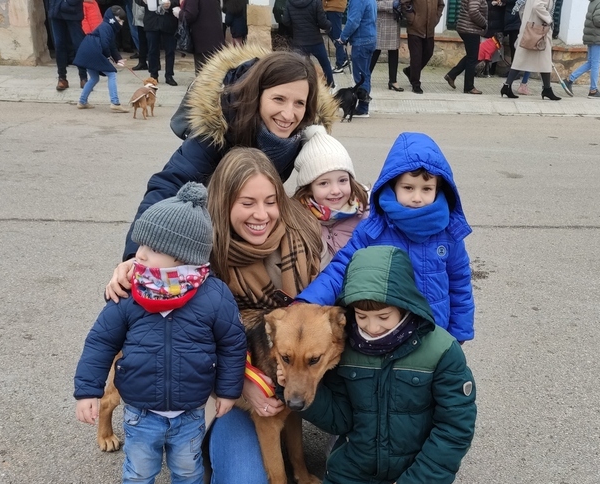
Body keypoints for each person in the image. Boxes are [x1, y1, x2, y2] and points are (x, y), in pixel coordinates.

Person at [107, 146, 326, 484]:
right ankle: (192, 443)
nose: (262, 214)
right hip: (216, 384)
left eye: (270, 201)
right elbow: (174, 337)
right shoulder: (197, 257)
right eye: (247, 202)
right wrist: (131, 264)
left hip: (280, 371)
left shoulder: (304, 234)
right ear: (224, 203)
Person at [74, 183, 248, 484]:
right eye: (140, 246)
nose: (138, 255)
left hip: (189, 409)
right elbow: (101, 342)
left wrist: (229, 391)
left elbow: (232, 343)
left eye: (151, 249)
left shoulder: (214, 296)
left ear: (183, 256)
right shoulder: (130, 292)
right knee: (140, 467)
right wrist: (88, 390)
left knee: (188, 464)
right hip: (140, 409)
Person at [301, 245, 477, 484]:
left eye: (383, 316)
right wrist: (304, 397)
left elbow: (455, 427)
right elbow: (341, 419)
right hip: (355, 469)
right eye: (361, 316)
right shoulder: (344, 349)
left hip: (410, 471)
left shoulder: (441, 350)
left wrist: (422, 483)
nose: (371, 326)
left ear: (405, 305)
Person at [110, 45, 337, 267]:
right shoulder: (218, 130)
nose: (289, 114)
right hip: (210, 230)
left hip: (249, 223)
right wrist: (135, 256)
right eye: (278, 99)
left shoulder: (303, 134)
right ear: (257, 95)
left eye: (299, 103)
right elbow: (168, 184)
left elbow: (334, 179)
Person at [297, 132, 475, 343]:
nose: (417, 198)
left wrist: (459, 333)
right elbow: (340, 269)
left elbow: (460, 285)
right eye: (408, 188)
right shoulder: (374, 230)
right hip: (383, 335)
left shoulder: (448, 234)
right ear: (392, 186)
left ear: (439, 189)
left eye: (427, 189)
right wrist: (307, 303)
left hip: (435, 335)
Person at [290, 124, 369, 268]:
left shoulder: (368, 213)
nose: (335, 190)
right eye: (324, 183)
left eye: (343, 180)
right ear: (309, 188)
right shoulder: (298, 220)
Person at [74, 6, 131, 112]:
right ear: (113, 18)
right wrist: (110, 58)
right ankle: (115, 102)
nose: (121, 24)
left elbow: (111, 45)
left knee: (94, 77)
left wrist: (118, 59)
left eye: (122, 21)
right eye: (119, 21)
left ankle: (82, 101)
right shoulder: (107, 26)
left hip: (88, 50)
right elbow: (105, 44)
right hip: (94, 51)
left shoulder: (107, 26)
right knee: (112, 74)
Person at [502, 0, 560, 100]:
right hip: (538, 31)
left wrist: (526, 22)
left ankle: (507, 86)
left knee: (528, 60)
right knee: (542, 60)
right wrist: (549, 20)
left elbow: (522, 9)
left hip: (530, 30)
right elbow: (538, 6)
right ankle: (546, 89)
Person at [562, 0, 600, 99]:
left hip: (592, 36)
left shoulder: (594, 1)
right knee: (596, 64)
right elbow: (599, 19)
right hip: (598, 37)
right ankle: (593, 90)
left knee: (591, 62)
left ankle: (570, 79)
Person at [334, 0, 377, 117]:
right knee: (365, 75)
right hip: (370, 39)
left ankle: (363, 108)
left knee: (360, 76)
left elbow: (353, 21)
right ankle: (364, 106)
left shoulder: (358, 1)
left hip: (361, 41)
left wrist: (343, 37)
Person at [282, 0, 335, 88]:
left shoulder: (289, 2)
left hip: (299, 42)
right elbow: (322, 22)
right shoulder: (316, 2)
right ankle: (331, 86)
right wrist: (329, 24)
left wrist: (295, 27)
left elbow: (286, 21)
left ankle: (302, 88)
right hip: (315, 41)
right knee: (325, 64)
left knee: (300, 67)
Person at [399, 0, 444, 94]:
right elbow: (404, 3)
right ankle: (415, 83)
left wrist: (436, 18)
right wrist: (412, 19)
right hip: (415, 29)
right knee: (416, 57)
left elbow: (441, 4)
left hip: (429, 30)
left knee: (428, 53)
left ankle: (410, 71)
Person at [444, 0, 487, 95]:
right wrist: (484, 23)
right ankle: (469, 87)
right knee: (473, 58)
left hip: (466, 27)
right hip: (470, 29)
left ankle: (452, 75)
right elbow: (473, 11)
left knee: (471, 56)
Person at [48, 0, 89, 91]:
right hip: (56, 10)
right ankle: (62, 78)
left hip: (73, 10)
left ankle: (83, 77)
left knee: (78, 44)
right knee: (59, 45)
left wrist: (69, 2)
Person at [137, 0, 179, 86]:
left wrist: (171, 3)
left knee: (170, 50)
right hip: (151, 21)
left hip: (168, 21)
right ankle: (153, 75)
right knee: (152, 50)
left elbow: (180, 1)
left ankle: (169, 75)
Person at [179, 0, 225, 74]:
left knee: (202, 72)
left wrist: (179, 13)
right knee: (215, 72)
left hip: (202, 39)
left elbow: (190, 15)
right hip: (215, 37)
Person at [370, 0, 403, 92]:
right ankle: (365, 78)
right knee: (375, 51)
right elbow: (373, 4)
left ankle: (393, 81)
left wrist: (400, 6)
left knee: (394, 51)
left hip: (394, 22)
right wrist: (391, 5)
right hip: (381, 23)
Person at [324, 0, 349, 72]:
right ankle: (343, 58)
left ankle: (339, 64)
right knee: (331, 33)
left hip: (334, 8)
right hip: (331, 8)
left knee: (336, 35)